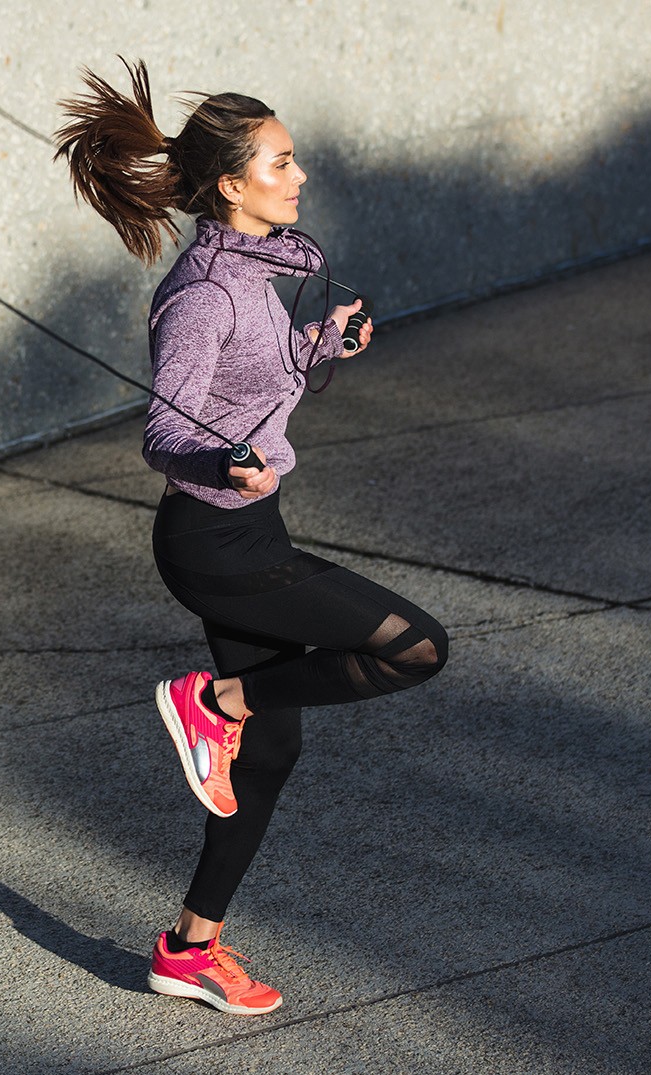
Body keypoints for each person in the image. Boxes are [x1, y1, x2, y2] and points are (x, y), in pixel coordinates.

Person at [56, 60, 449, 1016]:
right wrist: (223, 460)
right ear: (232, 185)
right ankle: (212, 700)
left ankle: (188, 950)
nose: (299, 174)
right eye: (281, 162)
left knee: (269, 758)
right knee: (416, 647)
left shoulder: (255, 271)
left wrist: (320, 344)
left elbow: (252, 375)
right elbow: (166, 430)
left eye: (294, 157)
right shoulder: (203, 294)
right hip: (217, 545)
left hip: (245, 530)